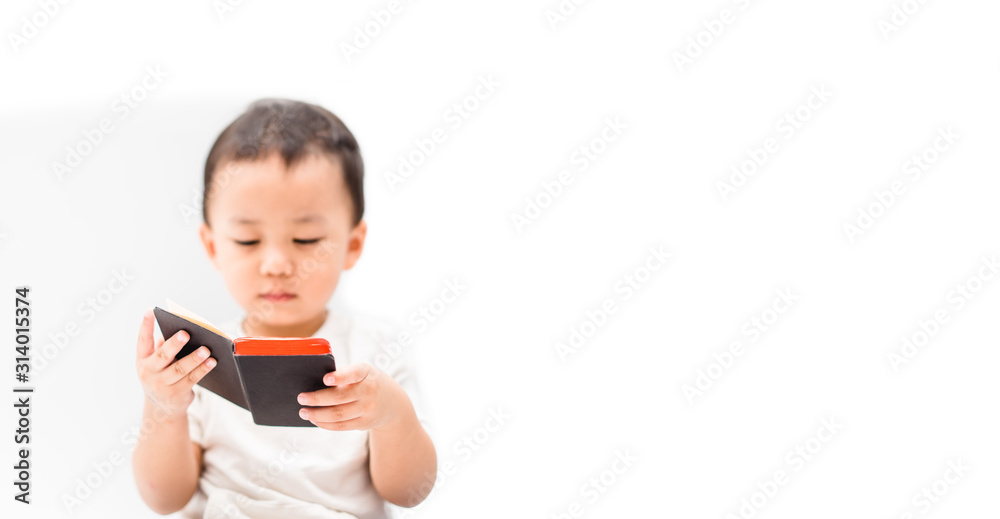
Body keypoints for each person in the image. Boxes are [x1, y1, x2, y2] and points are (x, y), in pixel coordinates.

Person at [131, 98, 436, 518]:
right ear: (213, 246)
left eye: (306, 240)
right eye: (248, 241)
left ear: (352, 244)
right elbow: (165, 499)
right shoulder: (199, 359)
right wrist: (164, 408)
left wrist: (390, 415)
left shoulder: (375, 350)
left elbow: (408, 492)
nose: (276, 265)